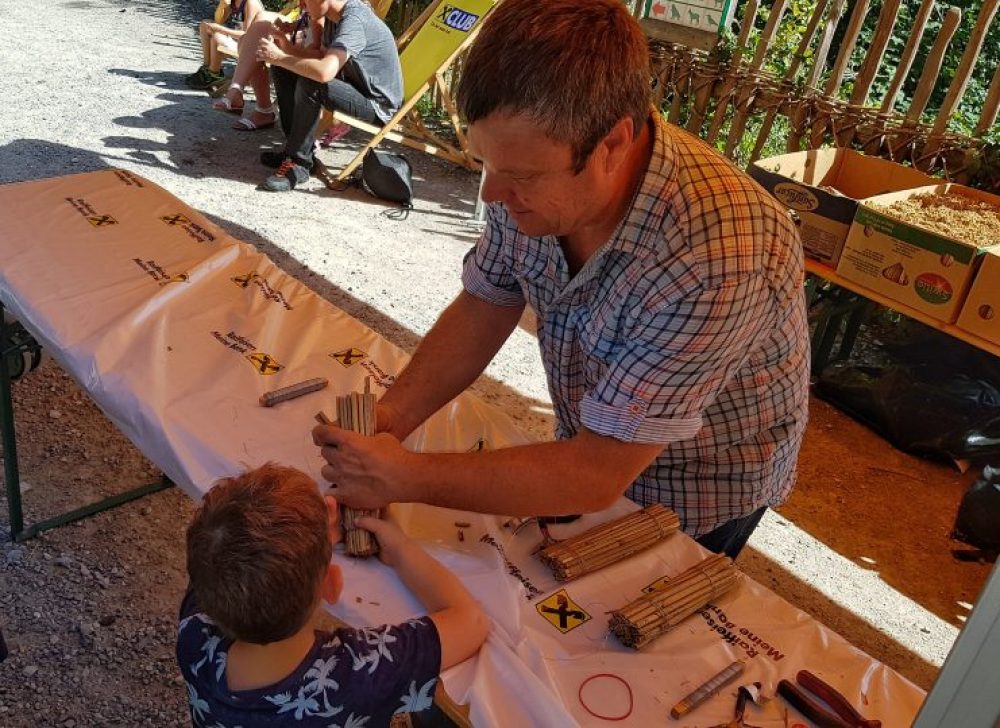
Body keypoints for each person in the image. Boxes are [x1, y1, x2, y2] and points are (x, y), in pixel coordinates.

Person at [312, 0, 810, 559]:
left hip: (695, 487)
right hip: (587, 447)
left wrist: (407, 477)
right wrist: (391, 419)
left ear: (613, 145)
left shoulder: (721, 254)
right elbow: (486, 303)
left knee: (620, 631)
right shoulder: (525, 173)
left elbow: (594, 474)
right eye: (486, 164)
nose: (493, 195)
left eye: (520, 175)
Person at [177, 463, 489, 727]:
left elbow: (228, 554)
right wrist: (400, 549)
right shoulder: (359, 674)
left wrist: (311, 539)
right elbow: (471, 622)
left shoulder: (192, 634)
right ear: (332, 585)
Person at [253, 0, 403, 191]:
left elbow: (324, 72)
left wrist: (280, 57)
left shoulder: (355, 20)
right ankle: (294, 150)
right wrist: (285, 48)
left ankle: (299, 163)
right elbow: (320, 57)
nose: (301, 5)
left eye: (305, 0)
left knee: (313, 81)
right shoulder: (335, 17)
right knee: (283, 69)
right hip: (354, 89)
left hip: (377, 105)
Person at [212, 3, 320, 132]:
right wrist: (293, 26)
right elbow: (309, 20)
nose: (301, 3)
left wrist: (287, 46)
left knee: (252, 42)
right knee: (255, 34)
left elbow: (319, 46)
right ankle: (239, 92)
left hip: (317, 58)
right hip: (303, 38)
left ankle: (260, 108)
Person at [186, 0, 267, 91]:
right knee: (205, 25)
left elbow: (246, 34)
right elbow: (218, 21)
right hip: (240, 42)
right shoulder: (234, 2)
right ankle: (207, 68)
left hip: (252, 47)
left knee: (217, 36)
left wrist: (221, 29)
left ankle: (214, 74)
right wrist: (223, 5)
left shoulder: (251, 3)